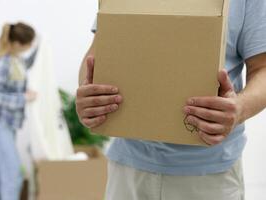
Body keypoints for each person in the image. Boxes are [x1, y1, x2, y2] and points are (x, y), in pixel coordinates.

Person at [76, 0, 266, 199]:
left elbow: (262, 68)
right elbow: (98, 53)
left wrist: (240, 108)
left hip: (209, 175)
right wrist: (87, 93)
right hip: (128, 169)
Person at [0, 22, 37, 200]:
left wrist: (43, 47)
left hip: (7, 121)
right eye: (30, 44)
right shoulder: (4, 63)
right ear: (18, 44)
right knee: (13, 173)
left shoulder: (16, 59)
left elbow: (27, 64)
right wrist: (23, 98)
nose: (31, 46)